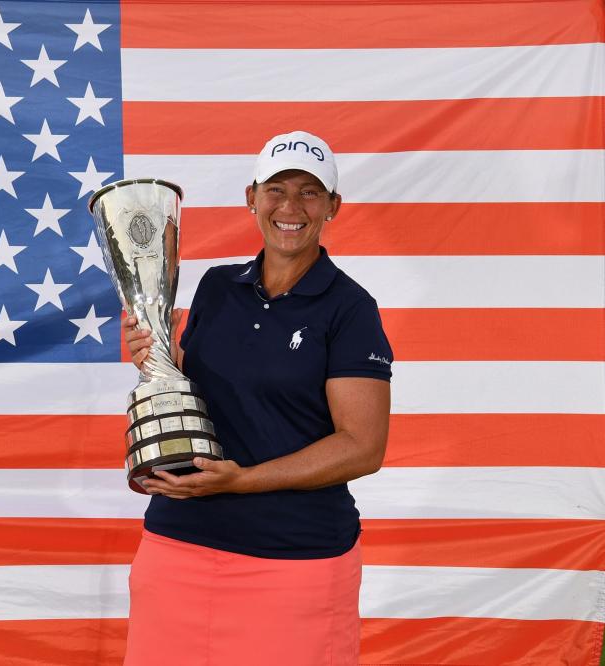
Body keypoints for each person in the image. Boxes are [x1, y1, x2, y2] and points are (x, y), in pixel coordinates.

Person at [121, 130, 393, 666]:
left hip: (295, 560)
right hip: (180, 544)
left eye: (310, 192)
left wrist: (242, 479)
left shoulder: (350, 308)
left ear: (332, 206)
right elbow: (201, 396)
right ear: (252, 197)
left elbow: (363, 447)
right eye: (276, 190)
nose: (290, 207)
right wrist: (152, 357)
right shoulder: (217, 288)